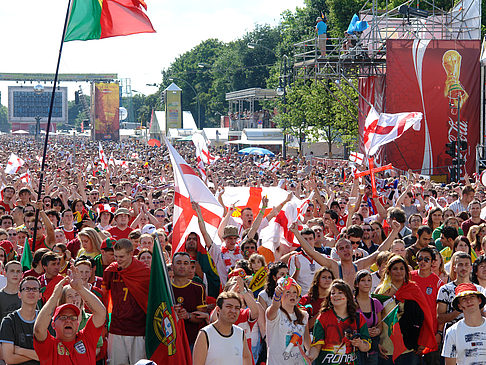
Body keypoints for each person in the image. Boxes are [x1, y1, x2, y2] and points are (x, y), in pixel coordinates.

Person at [33, 268, 106, 365]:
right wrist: (55, 296)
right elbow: (38, 329)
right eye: (63, 317)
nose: (68, 321)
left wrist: (80, 288)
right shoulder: (49, 345)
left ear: (78, 323)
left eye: (73, 318)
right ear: (53, 324)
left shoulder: (86, 339)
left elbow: (101, 313)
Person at [376, 255, 437, 364]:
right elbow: (375, 319)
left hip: (409, 347)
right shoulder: (381, 291)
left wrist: (422, 341)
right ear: (389, 271)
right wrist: (377, 344)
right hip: (386, 347)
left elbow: (425, 315)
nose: (398, 271)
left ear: (406, 270)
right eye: (395, 268)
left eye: (401, 268)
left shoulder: (413, 289)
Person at [102, 238, 150, 365]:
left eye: (122, 256)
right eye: (116, 256)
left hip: (138, 329)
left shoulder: (144, 272)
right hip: (116, 328)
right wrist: (104, 323)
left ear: (131, 253)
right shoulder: (111, 271)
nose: (118, 260)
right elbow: (105, 298)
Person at [308, 279, 371, 364]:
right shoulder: (323, 317)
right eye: (333, 293)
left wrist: (360, 343)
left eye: (340, 292)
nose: (335, 295)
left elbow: (367, 347)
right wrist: (310, 357)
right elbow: (316, 347)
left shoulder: (358, 318)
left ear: (348, 297)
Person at [193, 291, 252, 365]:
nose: (233, 311)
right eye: (229, 307)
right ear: (218, 310)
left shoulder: (240, 333)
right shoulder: (205, 334)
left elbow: (246, 358)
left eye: (237, 308)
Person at [265, 276, 310, 364]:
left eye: (295, 292)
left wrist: (309, 355)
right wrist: (276, 296)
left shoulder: (303, 315)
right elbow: (274, 306)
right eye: (288, 292)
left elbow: (307, 341)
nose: (292, 295)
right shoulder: (275, 313)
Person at [0, 276, 41, 365]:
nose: (31, 292)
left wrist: (20, 350)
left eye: (35, 289)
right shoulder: (9, 321)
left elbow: (50, 355)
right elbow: (9, 359)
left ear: (40, 295)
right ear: (19, 294)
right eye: (27, 289)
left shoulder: (45, 320)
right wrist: (38, 355)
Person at [442, 282, 486, 364]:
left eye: (472, 296)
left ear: (479, 300)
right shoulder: (452, 332)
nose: (469, 301)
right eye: (463, 299)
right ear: (459, 305)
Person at [171, 252, 206, 349]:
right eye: (178, 263)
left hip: (191, 341)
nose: (182, 266)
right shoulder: (165, 288)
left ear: (190, 266)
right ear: (172, 266)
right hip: (170, 341)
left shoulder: (198, 288)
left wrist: (187, 315)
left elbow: (202, 316)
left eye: (185, 263)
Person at [354, 270, 382, 365]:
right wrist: (364, 331)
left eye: (369, 280)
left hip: (372, 351)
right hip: (355, 351)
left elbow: (380, 325)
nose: (366, 283)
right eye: (363, 280)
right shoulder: (351, 304)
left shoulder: (375, 303)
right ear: (356, 284)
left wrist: (377, 331)